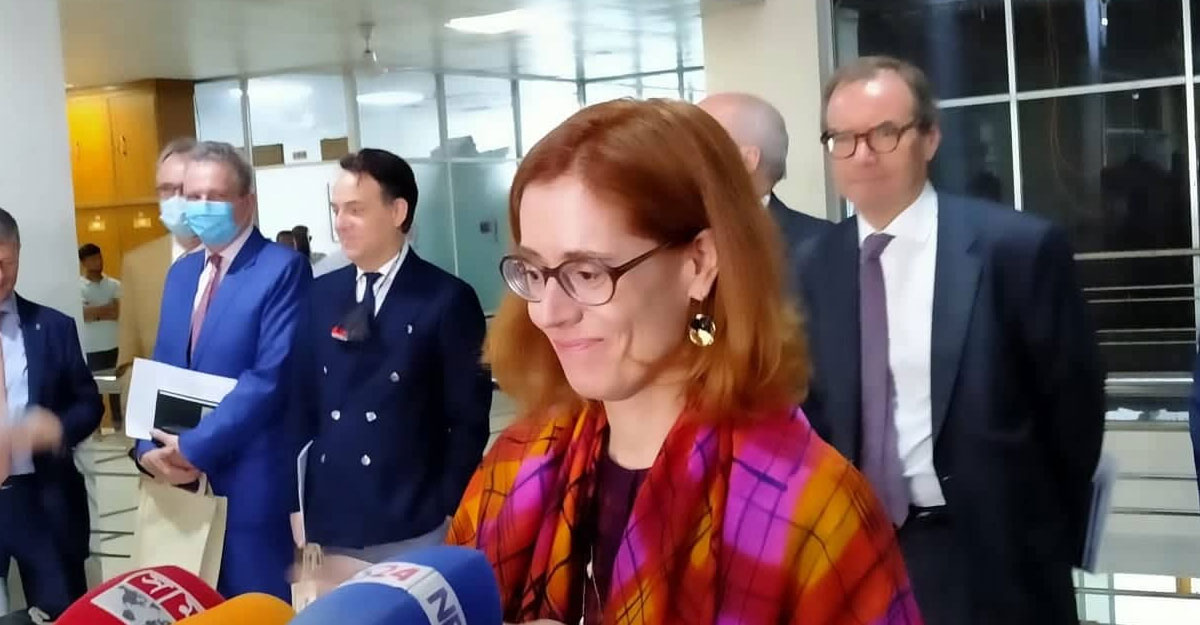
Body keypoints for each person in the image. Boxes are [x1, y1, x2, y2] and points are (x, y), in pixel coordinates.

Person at [447, 99, 920, 624]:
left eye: (587, 273)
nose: (547, 313)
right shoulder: (518, 462)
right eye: (534, 272)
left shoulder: (812, 509)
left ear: (700, 263)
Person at [797, 56, 1104, 624]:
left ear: (930, 138)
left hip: (991, 553)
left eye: (884, 133)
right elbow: (812, 411)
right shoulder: (812, 266)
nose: (862, 155)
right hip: (854, 553)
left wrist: (1040, 530)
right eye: (842, 138)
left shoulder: (1016, 249)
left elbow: (1074, 411)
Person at [290, 148, 491, 565]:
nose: (340, 223)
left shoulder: (445, 299)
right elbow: (303, 403)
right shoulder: (321, 295)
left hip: (412, 517)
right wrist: (299, 503)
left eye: (356, 210)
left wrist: (446, 506)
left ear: (398, 211)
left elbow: (468, 419)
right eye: (336, 210)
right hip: (332, 516)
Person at [132, 141, 312, 600]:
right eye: (192, 197)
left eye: (214, 197)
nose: (200, 207)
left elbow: (268, 379)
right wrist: (146, 448)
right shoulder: (182, 275)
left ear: (247, 202)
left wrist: (193, 447)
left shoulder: (282, 270)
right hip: (179, 486)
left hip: (249, 488)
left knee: (254, 606)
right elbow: (163, 369)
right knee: (189, 604)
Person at [0, 207, 103, 619]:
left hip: (43, 499)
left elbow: (89, 403)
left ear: (18, 254)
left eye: (4, 263)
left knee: (63, 613)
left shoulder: (54, 327)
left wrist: (58, 427)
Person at [115, 138, 204, 408]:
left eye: (185, 189)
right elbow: (129, 361)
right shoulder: (138, 264)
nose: (176, 199)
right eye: (166, 190)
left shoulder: (245, 262)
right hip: (159, 422)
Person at [698, 92, 831, 263]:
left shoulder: (825, 248)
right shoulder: (673, 235)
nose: (677, 154)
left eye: (696, 142)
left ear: (747, 160)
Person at [78, 243, 121, 372]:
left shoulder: (115, 285)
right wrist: (108, 308)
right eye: (93, 259)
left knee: (119, 383)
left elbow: (118, 312)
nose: (98, 262)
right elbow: (84, 315)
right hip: (92, 349)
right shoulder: (77, 287)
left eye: (99, 257)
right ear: (83, 263)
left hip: (116, 346)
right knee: (96, 384)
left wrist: (94, 312)